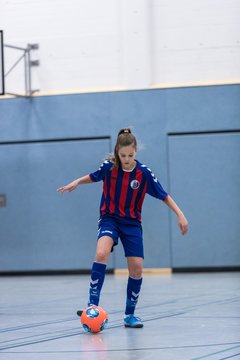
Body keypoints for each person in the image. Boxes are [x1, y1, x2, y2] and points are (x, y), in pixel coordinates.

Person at [57, 128, 188, 328]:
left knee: (136, 269)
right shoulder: (109, 168)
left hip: (132, 224)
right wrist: (76, 182)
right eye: (123, 155)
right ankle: (92, 306)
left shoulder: (143, 173)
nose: (126, 159)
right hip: (110, 219)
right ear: (117, 151)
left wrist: (180, 215)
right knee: (101, 254)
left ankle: (129, 315)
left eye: (130, 155)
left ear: (136, 152)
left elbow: (164, 195)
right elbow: (93, 176)